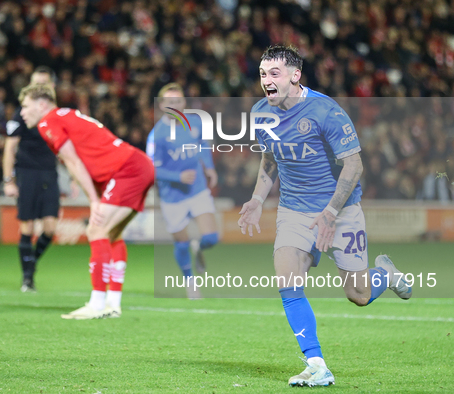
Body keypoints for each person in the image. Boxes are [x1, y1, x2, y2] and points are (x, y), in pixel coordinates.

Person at [237, 45, 412, 387]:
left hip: (341, 210)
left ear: (295, 76)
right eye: (262, 74)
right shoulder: (261, 113)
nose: (266, 81)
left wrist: (331, 212)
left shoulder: (325, 112)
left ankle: (384, 274)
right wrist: (258, 198)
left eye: (274, 74)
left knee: (358, 295)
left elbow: (354, 164)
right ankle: (316, 364)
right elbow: (271, 158)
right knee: (287, 278)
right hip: (293, 210)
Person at [19, 83, 154, 319]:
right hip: (135, 165)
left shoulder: (47, 121)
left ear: (41, 104)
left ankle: (97, 304)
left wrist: (93, 200)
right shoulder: (67, 114)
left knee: (96, 229)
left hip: (125, 170)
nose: (22, 112)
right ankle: (113, 304)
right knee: (112, 234)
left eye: (25, 106)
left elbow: (72, 160)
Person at [147, 83, 219, 299]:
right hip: (172, 197)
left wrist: (210, 168)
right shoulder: (156, 135)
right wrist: (177, 177)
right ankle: (190, 282)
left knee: (212, 237)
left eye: (178, 101)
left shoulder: (195, 122)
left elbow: (203, 145)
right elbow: (151, 169)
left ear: (184, 103)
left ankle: (199, 248)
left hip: (197, 190)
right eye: (170, 102)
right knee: (181, 242)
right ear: (161, 105)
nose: (175, 105)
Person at [3, 66, 60, 292]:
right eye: (35, 84)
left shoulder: (56, 115)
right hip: (27, 172)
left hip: (49, 172)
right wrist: (9, 180)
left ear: (51, 87)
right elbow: (10, 148)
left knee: (50, 227)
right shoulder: (22, 113)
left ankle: (31, 262)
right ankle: (27, 277)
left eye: (42, 84)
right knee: (27, 226)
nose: (38, 88)